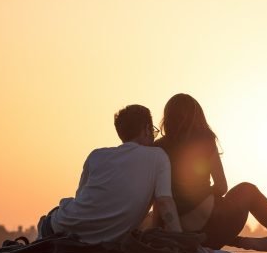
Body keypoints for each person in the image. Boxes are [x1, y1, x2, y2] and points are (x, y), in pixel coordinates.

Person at [154, 93, 267, 253]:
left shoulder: (158, 147)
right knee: (248, 190)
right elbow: (221, 186)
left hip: (179, 231)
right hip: (212, 225)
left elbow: (158, 197)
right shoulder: (205, 139)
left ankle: (241, 242)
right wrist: (201, 194)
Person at [37, 104, 182, 243]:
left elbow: (83, 199)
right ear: (146, 129)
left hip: (66, 228)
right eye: (153, 131)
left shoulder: (96, 156)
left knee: (54, 215)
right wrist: (183, 242)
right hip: (101, 238)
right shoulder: (158, 156)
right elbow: (164, 202)